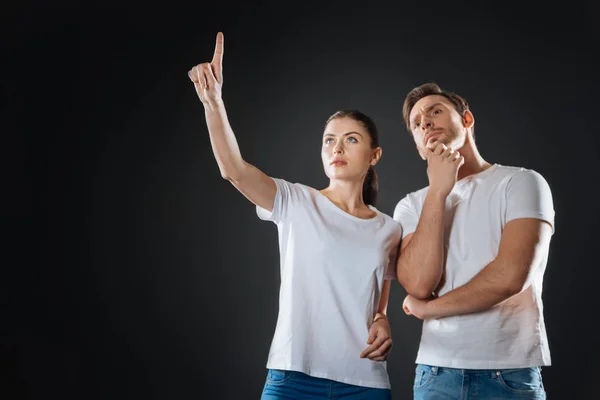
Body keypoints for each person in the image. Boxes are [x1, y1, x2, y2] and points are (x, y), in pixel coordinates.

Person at [187, 32, 401, 399]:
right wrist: (213, 103)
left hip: (365, 382)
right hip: (293, 378)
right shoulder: (296, 201)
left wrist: (384, 321)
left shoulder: (389, 229)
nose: (337, 147)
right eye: (329, 140)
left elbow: (378, 303)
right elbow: (234, 170)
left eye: (351, 139)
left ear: (374, 155)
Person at [393, 82, 554, 399]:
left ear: (467, 120)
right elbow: (418, 285)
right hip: (434, 374)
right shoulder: (411, 205)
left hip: (509, 374)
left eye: (435, 111)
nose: (425, 121)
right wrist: (438, 192)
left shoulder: (521, 182)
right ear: (417, 145)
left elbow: (510, 277)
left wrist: (429, 310)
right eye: (416, 122)